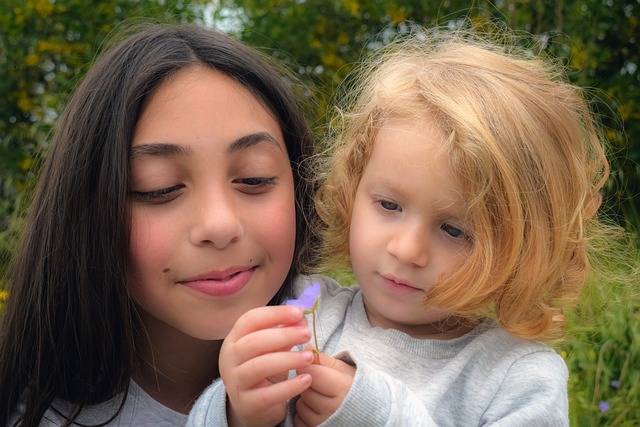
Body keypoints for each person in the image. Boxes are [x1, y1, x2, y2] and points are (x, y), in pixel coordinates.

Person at [187, 26, 632, 426]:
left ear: (524, 247)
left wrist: (378, 416)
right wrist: (234, 411)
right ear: (351, 189)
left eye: (454, 230)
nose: (406, 249)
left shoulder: (518, 377)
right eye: (388, 204)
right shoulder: (304, 307)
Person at [0, 22, 319, 426]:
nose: (219, 225)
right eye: (159, 188)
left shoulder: (362, 359)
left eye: (254, 179)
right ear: (88, 211)